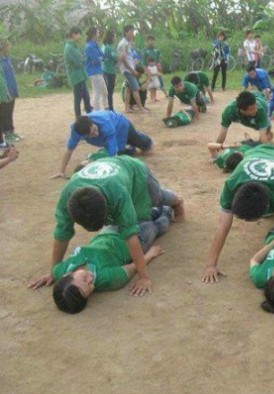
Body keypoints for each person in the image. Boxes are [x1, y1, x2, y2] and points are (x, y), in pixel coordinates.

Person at [43, 156, 184, 296]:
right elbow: (62, 232)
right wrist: (53, 272)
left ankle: (178, 201)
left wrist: (144, 277)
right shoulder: (67, 197)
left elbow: (130, 235)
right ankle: (159, 213)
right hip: (114, 182)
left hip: (136, 172)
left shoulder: (117, 194)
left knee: (157, 198)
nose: (91, 279)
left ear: (108, 208)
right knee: (142, 217)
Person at [29, 207, 172, 313]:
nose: (91, 281)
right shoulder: (108, 279)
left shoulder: (60, 271)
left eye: (84, 280)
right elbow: (133, 266)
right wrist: (150, 254)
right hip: (135, 241)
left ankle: (155, 208)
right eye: (89, 290)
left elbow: (55, 271)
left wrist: (50, 275)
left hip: (107, 231)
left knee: (141, 213)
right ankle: (167, 210)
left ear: (67, 275)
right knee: (157, 225)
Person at [201, 144, 274, 283]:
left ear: (267, 208)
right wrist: (210, 265)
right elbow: (223, 225)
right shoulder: (231, 184)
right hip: (255, 151)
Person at [50, 110, 153, 178]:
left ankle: (143, 140)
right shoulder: (76, 130)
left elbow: (114, 155)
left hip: (121, 124)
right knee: (120, 151)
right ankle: (130, 148)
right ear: (84, 135)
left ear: (92, 122)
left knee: (144, 145)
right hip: (108, 136)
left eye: (95, 129)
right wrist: (61, 171)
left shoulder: (105, 123)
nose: (96, 133)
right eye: (92, 134)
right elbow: (69, 150)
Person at [117, 25, 148, 113]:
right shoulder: (123, 44)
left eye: (133, 31)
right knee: (135, 88)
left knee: (128, 88)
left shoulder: (128, 42)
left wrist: (134, 63)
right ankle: (141, 108)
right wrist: (132, 70)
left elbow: (128, 56)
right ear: (126, 32)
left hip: (130, 68)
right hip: (127, 70)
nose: (132, 33)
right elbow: (122, 59)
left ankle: (127, 108)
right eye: (131, 31)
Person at [64, 27, 92, 118]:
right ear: (73, 35)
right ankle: (79, 119)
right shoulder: (69, 48)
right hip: (76, 77)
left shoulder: (74, 46)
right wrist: (84, 59)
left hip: (80, 76)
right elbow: (78, 63)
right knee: (78, 99)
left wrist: (83, 59)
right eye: (79, 34)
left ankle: (90, 116)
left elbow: (81, 59)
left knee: (86, 98)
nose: (80, 36)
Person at [0, 37, 22, 143]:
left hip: (11, 89)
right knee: (4, 112)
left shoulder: (6, 58)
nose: (8, 46)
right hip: (4, 91)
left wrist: (15, 88)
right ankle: (6, 133)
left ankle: (11, 130)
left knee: (10, 110)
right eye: (6, 44)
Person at [85, 27, 108, 111]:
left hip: (98, 71)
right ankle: (96, 111)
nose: (99, 34)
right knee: (97, 92)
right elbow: (96, 59)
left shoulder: (95, 44)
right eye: (97, 33)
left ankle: (106, 108)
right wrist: (100, 58)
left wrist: (100, 59)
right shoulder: (89, 46)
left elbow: (103, 56)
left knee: (104, 91)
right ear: (94, 34)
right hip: (94, 72)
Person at [102, 29, 118, 111]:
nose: (115, 38)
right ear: (111, 37)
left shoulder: (105, 46)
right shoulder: (109, 47)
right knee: (109, 91)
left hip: (107, 71)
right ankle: (110, 109)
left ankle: (109, 108)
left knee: (108, 91)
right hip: (108, 72)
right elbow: (116, 58)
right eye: (114, 36)